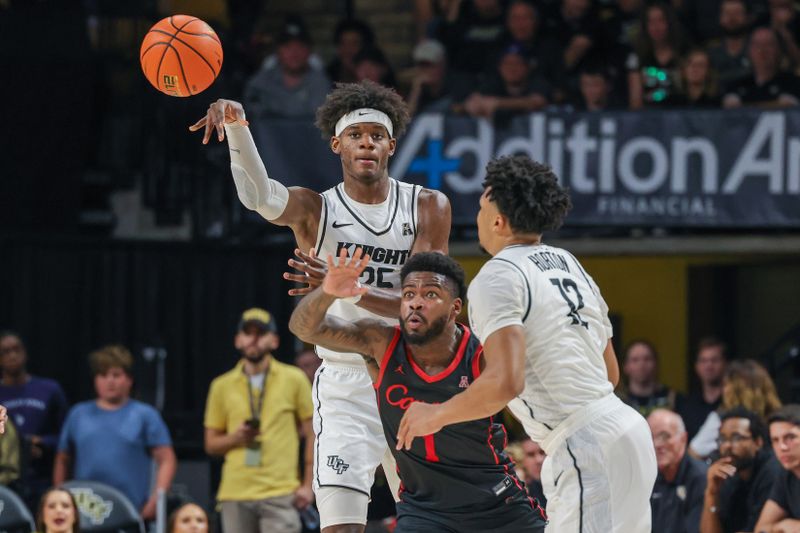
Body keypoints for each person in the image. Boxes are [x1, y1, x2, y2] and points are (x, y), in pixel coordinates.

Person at [190, 79, 451, 533]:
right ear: (337, 144)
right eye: (356, 135)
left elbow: (427, 309)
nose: (366, 142)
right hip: (343, 383)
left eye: (375, 135)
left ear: (391, 144)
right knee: (340, 526)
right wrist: (237, 129)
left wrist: (348, 289)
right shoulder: (316, 209)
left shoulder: (427, 206)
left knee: (428, 523)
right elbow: (259, 196)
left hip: (409, 377)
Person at [395, 155, 657, 532]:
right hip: (627, 429)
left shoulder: (498, 275)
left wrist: (434, 415)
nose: (479, 215)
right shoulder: (569, 263)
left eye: (483, 207)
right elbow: (610, 373)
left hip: (586, 443)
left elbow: (505, 383)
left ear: (499, 221)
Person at [288, 250, 547, 533]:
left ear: (455, 307)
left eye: (431, 295)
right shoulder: (381, 342)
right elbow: (305, 329)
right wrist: (327, 292)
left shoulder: (481, 353)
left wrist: (438, 414)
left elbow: (518, 391)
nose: (416, 304)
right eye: (409, 295)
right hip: (425, 511)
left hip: (496, 503)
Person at [204, 308, 314, 533]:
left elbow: (314, 432)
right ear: (237, 340)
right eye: (247, 332)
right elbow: (210, 444)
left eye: (261, 332)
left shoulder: (294, 378)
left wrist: (308, 484)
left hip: (281, 491)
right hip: (235, 491)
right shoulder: (221, 385)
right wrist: (236, 437)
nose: (253, 338)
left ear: (274, 341)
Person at [54, 345, 176, 521]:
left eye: (116, 375)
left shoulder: (145, 415)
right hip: (83, 511)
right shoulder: (78, 414)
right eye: (103, 375)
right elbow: (62, 459)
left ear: (129, 379)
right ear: (95, 380)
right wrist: (59, 498)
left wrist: (156, 500)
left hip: (130, 510)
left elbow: (166, 459)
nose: (110, 381)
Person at [0, 331, 68, 506]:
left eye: (16, 349)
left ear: (25, 352)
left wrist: (44, 443)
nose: (12, 355)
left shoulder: (49, 389)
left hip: (42, 479)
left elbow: (67, 436)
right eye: (5, 352)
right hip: (5, 482)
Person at [700, 407, 782, 533]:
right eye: (722, 439)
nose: (727, 445)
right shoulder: (727, 473)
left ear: (758, 442)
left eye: (736, 438)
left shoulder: (772, 472)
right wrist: (711, 494)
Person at [689, 359, 782, 460]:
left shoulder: (721, 419)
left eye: (725, 385)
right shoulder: (779, 418)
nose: (723, 390)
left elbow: (694, 453)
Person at [243, 16, 331, 119]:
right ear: (278, 51)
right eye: (288, 47)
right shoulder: (260, 85)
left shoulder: (321, 84)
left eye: (300, 46)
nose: (294, 53)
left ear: (309, 51)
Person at [648, 409, 707, 533]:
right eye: (650, 437)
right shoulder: (649, 477)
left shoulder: (700, 478)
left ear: (683, 438)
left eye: (664, 436)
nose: (657, 444)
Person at [627, 2, 688, 108]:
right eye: (651, 22)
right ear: (645, 26)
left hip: (682, 116)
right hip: (649, 118)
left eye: (661, 20)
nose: (656, 27)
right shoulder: (637, 56)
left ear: (669, 23)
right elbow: (635, 101)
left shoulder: (684, 53)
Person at [723, 26, 800, 108]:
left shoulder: (794, 84)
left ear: (779, 50)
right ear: (749, 50)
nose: (762, 50)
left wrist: (742, 106)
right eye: (757, 45)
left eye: (769, 44)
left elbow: (789, 107)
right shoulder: (735, 86)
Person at [754, 404, 800, 532]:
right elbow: (761, 529)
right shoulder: (786, 474)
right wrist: (781, 526)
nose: (782, 447)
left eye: (790, 438)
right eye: (775, 440)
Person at [678, 337, 728, 441]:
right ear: (696, 366)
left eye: (714, 360)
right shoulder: (686, 405)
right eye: (703, 360)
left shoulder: (732, 402)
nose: (709, 365)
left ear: (725, 364)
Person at [618, 339, 681, 418]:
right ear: (625, 367)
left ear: (656, 363)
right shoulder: (617, 401)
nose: (642, 364)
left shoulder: (672, 398)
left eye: (647, 359)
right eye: (635, 360)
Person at [707, 0, 752, 91]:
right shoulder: (711, 50)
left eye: (737, 13)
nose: (732, 18)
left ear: (747, 17)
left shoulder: (757, 47)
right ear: (720, 18)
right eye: (727, 13)